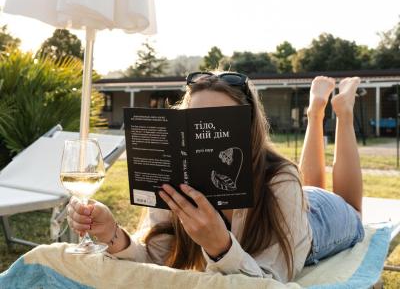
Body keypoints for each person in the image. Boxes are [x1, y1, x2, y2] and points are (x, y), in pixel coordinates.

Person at [66, 72, 365, 283]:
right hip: (297, 199)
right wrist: (112, 235)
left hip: (316, 223)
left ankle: (341, 111)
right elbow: (155, 260)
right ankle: (316, 112)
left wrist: (220, 246)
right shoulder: (174, 174)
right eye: (194, 122)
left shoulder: (281, 179)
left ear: (247, 128)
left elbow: (271, 279)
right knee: (308, 182)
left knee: (351, 207)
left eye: (220, 122)